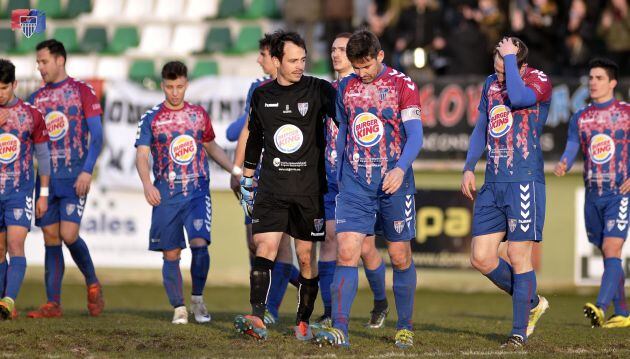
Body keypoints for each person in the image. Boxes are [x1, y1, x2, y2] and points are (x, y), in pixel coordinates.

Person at [314, 30, 423, 349]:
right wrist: (340, 172)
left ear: (380, 56)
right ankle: (341, 328)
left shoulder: (403, 85)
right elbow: (344, 130)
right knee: (347, 251)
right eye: (355, 67)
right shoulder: (346, 87)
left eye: (365, 66)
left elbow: (415, 136)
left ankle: (404, 325)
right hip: (355, 185)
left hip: (394, 183)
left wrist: (401, 169)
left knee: (400, 256)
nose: (360, 74)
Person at [234, 30, 336, 341]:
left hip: (307, 191)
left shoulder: (319, 90)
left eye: (303, 59)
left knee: (306, 257)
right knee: (263, 246)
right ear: (276, 61)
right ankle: (258, 316)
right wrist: (247, 178)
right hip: (271, 188)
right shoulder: (262, 95)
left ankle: (302, 322)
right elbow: (255, 140)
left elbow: (345, 122)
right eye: (292, 60)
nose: (299, 65)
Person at [461, 37, 551, 348]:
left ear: (520, 64)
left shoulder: (539, 81)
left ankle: (518, 332)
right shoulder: (490, 84)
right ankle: (533, 301)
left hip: (524, 179)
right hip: (494, 181)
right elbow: (481, 127)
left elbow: (520, 96)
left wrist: (510, 63)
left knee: (517, 254)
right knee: (481, 257)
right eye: (497, 69)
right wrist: (469, 166)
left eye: (505, 69)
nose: (499, 76)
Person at [135, 61, 238, 324]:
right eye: (170, 87)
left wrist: (235, 171)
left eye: (179, 86)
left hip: (196, 191)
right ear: (162, 86)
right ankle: (178, 307)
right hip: (166, 195)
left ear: (186, 84)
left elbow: (211, 147)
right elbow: (142, 156)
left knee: (200, 245)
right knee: (171, 254)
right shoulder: (151, 118)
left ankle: (198, 300)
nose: (175, 92)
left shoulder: (198, 115)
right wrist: (147, 184)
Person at [313, 32, 389, 329]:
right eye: (332, 49)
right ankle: (331, 311)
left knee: (366, 248)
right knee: (331, 241)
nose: (335, 54)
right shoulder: (325, 90)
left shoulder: (368, 90)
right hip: (332, 179)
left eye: (342, 49)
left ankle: (380, 300)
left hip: (361, 178)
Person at [27, 39, 104, 318]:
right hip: (47, 179)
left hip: (74, 177)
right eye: (38, 62)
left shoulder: (82, 91)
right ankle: (53, 303)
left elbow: (97, 136)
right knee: (50, 237)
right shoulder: (36, 99)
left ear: (60, 60)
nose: (40, 67)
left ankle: (92, 282)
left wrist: (87, 170)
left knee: (69, 234)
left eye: (43, 61)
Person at [229, 33, 300, 325]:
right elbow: (244, 129)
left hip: (285, 176)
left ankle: (268, 310)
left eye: (262, 54)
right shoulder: (256, 89)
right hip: (257, 176)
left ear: (275, 58)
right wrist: (238, 171)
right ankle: (304, 284)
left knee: (278, 246)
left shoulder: (300, 90)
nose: (258, 60)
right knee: (256, 243)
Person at [554, 58, 630, 329]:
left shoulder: (626, 113)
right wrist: (564, 160)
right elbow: (573, 143)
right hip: (592, 194)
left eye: (598, 78)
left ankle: (600, 307)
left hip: (619, 193)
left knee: (612, 248)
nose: (592, 82)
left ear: (612, 82)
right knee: (607, 252)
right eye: (591, 77)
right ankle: (622, 311)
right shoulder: (581, 116)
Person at [0, 59, 50, 319]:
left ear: (14, 85)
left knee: (15, 244)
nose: (0, 93)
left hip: (19, 191)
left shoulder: (31, 115)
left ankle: (8, 300)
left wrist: (42, 194)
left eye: (4, 88)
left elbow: (43, 156)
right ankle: (3, 304)